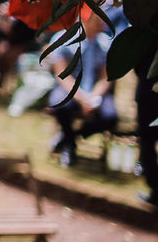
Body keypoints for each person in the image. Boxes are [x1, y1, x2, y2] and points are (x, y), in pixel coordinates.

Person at [45, 10, 117, 167]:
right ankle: (69, 145)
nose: (102, 24)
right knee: (59, 105)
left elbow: (106, 77)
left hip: (95, 91)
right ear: (85, 20)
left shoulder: (105, 43)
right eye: (98, 21)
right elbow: (62, 75)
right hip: (70, 89)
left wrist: (94, 97)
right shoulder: (63, 40)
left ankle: (69, 138)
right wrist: (82, 98)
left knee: (111, 116)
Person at [136, 38, 157, 206]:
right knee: (147, 141)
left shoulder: (146, 26)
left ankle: (155, 190)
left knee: (147, 140)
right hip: (147, 91)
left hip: (147, 90)